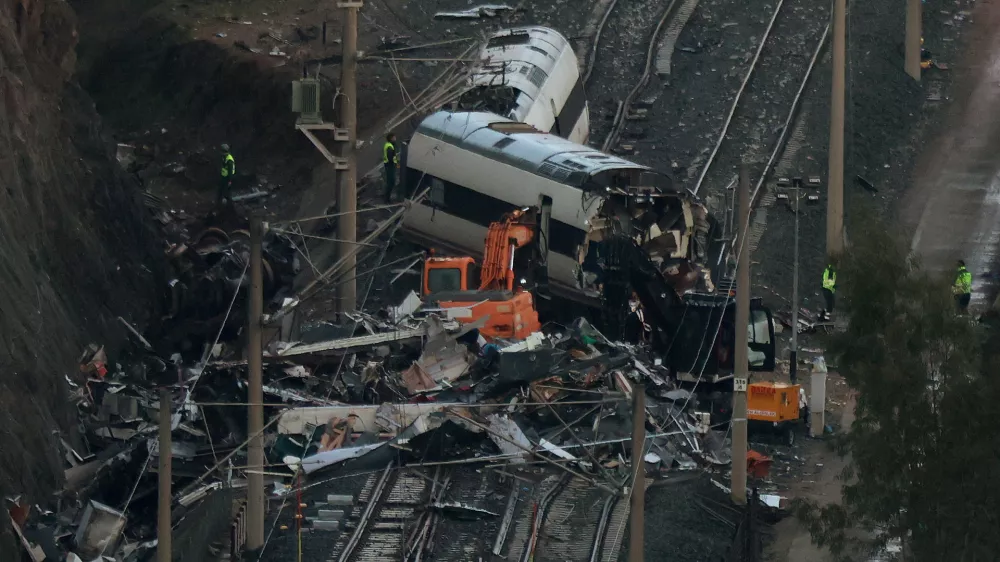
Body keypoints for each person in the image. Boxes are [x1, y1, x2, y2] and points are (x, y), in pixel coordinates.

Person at [383, 133, 400, 203]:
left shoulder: (389, 145)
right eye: (394, 138)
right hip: (390, 166)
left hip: (389, 165)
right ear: (391, 138)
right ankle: (387, 199)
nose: (395, 139)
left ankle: (387, 198)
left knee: (390, 182)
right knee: (391, 182)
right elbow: (391, 158)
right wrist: (395, 164)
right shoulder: (389, 147)